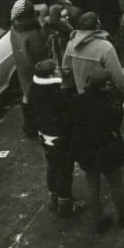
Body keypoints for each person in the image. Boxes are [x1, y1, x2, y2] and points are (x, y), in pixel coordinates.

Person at [71, 69, 124, 233]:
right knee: (115, 184)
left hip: (86, 152)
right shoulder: (109, 107)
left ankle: (99, 220)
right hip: (107, 151)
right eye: (108, 83)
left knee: (92, 186)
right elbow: (115, 124)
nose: (111, 85)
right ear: (102, 87)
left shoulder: (79, 100)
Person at [28, 58, 82, 216]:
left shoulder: (34, 89)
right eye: (56, 69)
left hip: (45, 136)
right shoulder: (55, 93)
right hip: (60, 138)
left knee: (52, 167)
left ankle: (53, 198)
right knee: (65, 170)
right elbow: (64, 116)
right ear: (51, 74)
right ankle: (65, 205)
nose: (59, 70)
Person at [61, 11, 124, 100]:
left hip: (81, 95)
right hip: (102, 97)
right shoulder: (105, 47)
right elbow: (118, 77)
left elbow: (65, 69)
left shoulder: (71, 44)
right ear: (97, 25)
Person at [9, 0, 48, 138]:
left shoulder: (14, 28)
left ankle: (29, 128)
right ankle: (36, 128)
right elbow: (40, 56)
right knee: (40, 101)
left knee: (27, 96)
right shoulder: (33, 33)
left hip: (22, 70)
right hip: (34, 72)